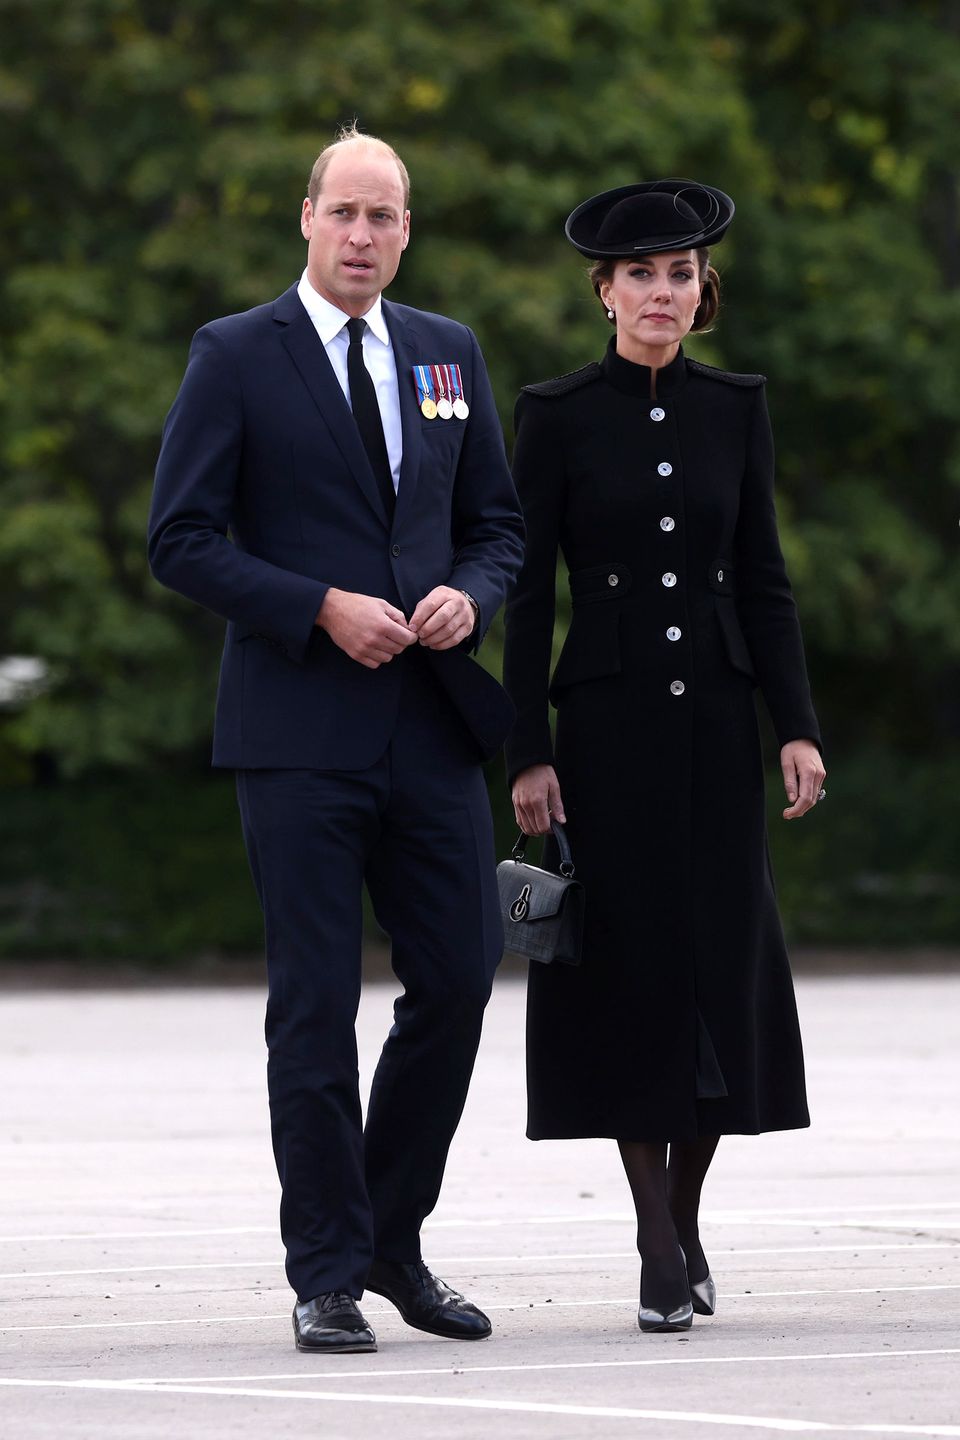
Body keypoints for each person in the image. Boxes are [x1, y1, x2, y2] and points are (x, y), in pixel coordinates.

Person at [148, 125, 524, 1355]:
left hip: (428, 730)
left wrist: (473, 589)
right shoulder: (234, 355)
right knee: (313, 1008)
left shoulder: (447, 354)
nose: (364, 236)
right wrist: (314, 606)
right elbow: (182, 539)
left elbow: (497, 527)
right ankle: (323, 1271)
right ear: (305, 218)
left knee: (462, 983)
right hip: (298, 734)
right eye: (345, 213)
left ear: (409, 230)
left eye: (387, 217)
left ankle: (388, 1240)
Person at [502, 179, 825, 1333]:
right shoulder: (554, 412)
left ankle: (687, 1217)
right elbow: (528, 594)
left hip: (717, 732)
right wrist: (527, 749)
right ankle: (651, 1237)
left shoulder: (738, 407)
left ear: (703, 293)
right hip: (606, 731)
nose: (661, 293)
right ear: (605, 292)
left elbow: (769, 581)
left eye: (680, 275)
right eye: (640, 275)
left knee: (717, 974)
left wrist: (795, 723)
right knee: (631, 978)